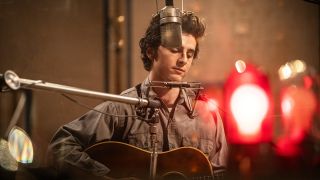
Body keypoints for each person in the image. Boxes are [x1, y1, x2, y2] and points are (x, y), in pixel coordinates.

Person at [47, 10, 228, 180]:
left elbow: (224, 171)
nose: (183, 60)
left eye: (189, 54)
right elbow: (60, 147)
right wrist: (104, 176)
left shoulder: (208, 114)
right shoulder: (122, 108)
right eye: (175, 50)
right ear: (150, 51)